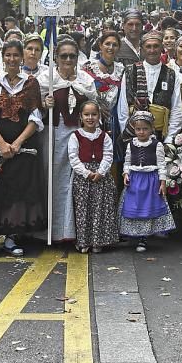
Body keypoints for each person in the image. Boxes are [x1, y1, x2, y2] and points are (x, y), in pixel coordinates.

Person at [0, 38, 46, 257]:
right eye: (8, 55)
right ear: (2, 57)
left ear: (22, 57)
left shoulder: (31, 83)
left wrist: (16, 144)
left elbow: (35, 118)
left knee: (18, 190)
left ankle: (10, 238)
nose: (12, 59)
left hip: (23, 147)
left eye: (16, 55)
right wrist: (1, 143)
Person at [41, 38, 97, 244]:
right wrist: (43, 103)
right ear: (55, 58)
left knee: (77, 182)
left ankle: (74, 230)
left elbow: (93, 106)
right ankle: (53, 231)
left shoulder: (85, 80)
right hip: (54, 135)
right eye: (63, 55)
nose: (68, 59)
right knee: (55, 181)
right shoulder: (46, 78)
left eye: (72, 55)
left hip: (79, 136)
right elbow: (33, 110)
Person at [118, 111, 175, 252]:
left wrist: (162, 183)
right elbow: (127, 161)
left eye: (145, 129)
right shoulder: (131, 144)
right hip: (135, 180)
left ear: (151, 129)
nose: (141, 132)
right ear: (134, 129)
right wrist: (126, 174)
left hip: (150, 180)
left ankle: (143, 237)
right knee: (134, 208)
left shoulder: (157, 145)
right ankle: (133, 234)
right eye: (138, 129)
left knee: (147, 209)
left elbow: (162, 165)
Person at [68, 99, 119, 253]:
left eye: (94, 114)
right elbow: (73, 157)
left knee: (100, 210)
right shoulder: (75, 136)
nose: (90, 118)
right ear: (81, 117)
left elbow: (108, 155)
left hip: (101, 178)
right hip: (83, 179)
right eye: (87, 114)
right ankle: (84, 242)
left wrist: (101, 172)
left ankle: (98, 241)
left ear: (99, 116)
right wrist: (87, 173)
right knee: (84, 210)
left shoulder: (104, 136)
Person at [118, 31, 182, 143]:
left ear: (162, 48)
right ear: (142, 49)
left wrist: (169, 138)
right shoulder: (130, 71)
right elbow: (123, 106)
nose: (152, 50)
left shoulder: (170, 74)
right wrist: (128, 135)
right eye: (148, 46)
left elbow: (176, 108)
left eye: (156, 46)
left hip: (161, 136)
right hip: (134, 135)